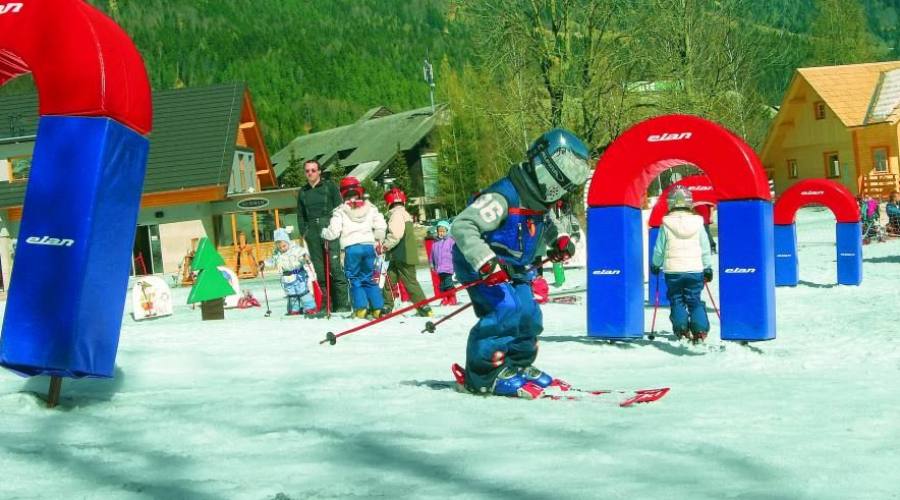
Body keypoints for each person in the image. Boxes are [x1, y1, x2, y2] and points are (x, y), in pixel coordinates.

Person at [451, 128, 589, 398]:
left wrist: (559, 239)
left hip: (515, 267)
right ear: (542, 165)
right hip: (481, 265)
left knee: (528, 313)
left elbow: (544, 223)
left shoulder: (537, 201)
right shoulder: (504, 196)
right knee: (506, 310)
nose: (557, 189)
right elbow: (463, 225)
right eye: (557, 179)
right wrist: (485, 262)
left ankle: (517, 365)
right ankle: (482, 375)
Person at [650, 185, 714, 344]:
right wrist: (707, 267)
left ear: (670, 204)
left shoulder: (666, 224)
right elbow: (705, 247)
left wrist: (656, 264)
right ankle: (699, 330)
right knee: (694, 300)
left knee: (677, 299)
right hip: (694, 269)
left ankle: (682, 329)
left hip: (674, 271)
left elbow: (659, 248)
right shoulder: (698, 223)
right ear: (689, 202)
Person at [321, 176, 387, 319]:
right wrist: (378, 237)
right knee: (369, 278)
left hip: (352, 249)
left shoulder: (340, 211)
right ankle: (377, 308)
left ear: (342, 193)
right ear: (359, 191)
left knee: (355, 279)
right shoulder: (370, 207)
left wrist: (324, 233)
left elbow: (334, 232)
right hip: (369, 247)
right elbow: (381, 225)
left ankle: (361, 308)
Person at [297, 160, 350, 312]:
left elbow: (340, 208)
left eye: (313, 170)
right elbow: (300, 215)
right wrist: (304, 232)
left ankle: (343, 304)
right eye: (307, 171)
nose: (310, 173)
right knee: (320, 271)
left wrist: (336, 228)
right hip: (312, 232)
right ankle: (328, 304)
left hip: (329, 227)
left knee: (334, 267)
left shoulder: (329, 186)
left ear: (319, 171)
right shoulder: (303, 191)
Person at [380, 187, 433, 316]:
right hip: (397, 255)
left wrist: (385, 246)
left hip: (402, 254)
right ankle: (387, 305)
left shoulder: (396, 214)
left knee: (410, 282)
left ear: (389, 202)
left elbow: (396, 234)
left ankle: (424, 308)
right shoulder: (403, 213)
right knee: (389, 280)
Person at [271, 228, 321, 317]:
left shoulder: (296, 249)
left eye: (284, 246)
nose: (282, 249)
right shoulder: (277, 253)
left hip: (299, 276)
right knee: (291, 295)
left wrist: (305, 258)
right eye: (279, 247)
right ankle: (294, 310)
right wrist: (263, 263)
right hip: (286, 277)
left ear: (287, 242)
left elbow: (303, 256)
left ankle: (311, 308)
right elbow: (272, 261)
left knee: (303, 293)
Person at [430, 220, 457, 306]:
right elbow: (432, 254)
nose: (441, 233)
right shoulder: (435, 243)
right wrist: (432, 264)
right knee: (442, 285)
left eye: (443, 231)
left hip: (448, 267)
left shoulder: (450, 241)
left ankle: (452, 298)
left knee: (448, 284)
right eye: (439, 231)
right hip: (439, 268)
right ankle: (445, 298)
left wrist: (456, 263)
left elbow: (455, 252)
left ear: (447, 231)